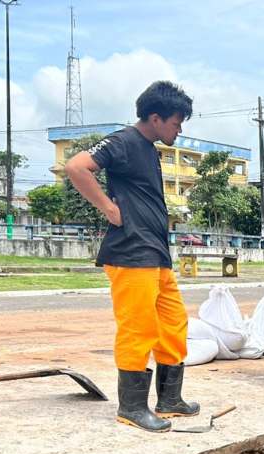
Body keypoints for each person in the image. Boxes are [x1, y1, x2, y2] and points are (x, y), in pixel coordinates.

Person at [65, 81, 198, 433]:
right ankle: (132, 407)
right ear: (155, 118)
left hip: (155, 253)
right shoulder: (123, 141)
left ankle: (170, 399)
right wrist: (108, 208)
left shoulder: (148, 148)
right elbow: (77, 166)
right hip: (130, 252)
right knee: (138, 329)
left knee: (173, 324)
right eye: (176, 122)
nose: (179, 130)